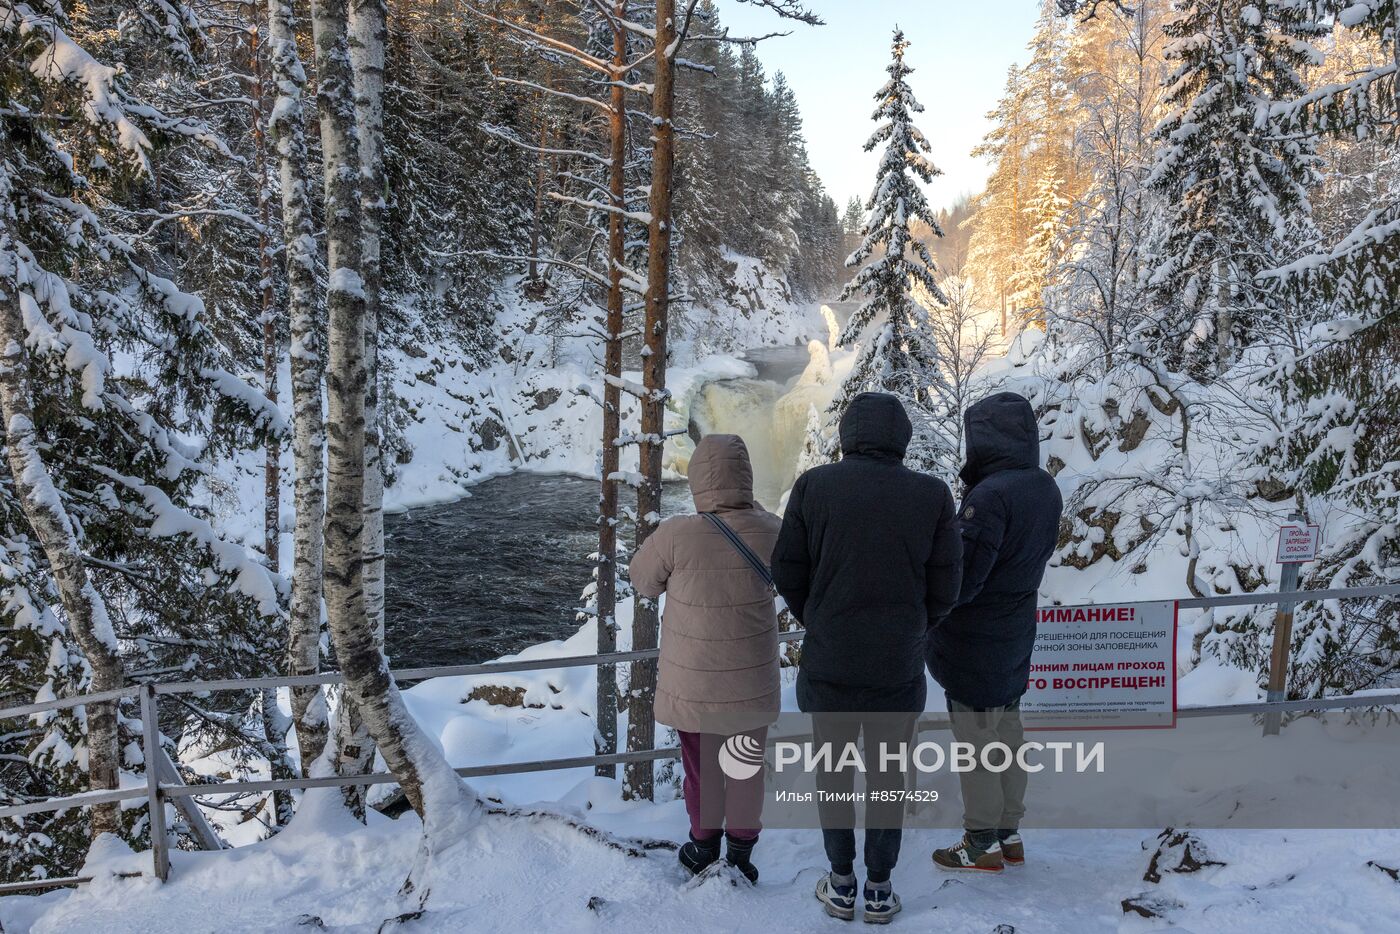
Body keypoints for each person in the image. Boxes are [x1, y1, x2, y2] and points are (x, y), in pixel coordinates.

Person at [772, 392, 962, 924]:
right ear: (901, 437)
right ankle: (879, 887)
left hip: (830, 664)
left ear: (847, 435)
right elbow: (948, 584)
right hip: (896, 670)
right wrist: (915, 626)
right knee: (887, 778)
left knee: (832, 774)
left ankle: (840, 882)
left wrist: (821, 616)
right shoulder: (931, 495)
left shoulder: (815, 486)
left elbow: (787, 568)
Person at [630, 433, 782, 884]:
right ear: (746, 477)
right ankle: (740, 854)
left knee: (701, 767)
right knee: (745, 765)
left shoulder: (677, 533)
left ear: (698, 479)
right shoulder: (774, 529)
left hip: (693, 680)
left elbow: (642, 581)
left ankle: (702, 846)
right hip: (751, 680)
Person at [927, 391, 1063, 874]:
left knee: (976, 743)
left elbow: (963, 581)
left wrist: (928, 599)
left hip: (974, 645)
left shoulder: (989, 498)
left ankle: (979, 841)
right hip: (1015, 636)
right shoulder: (1044, 487)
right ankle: (1010, 833)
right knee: (1007, 734)